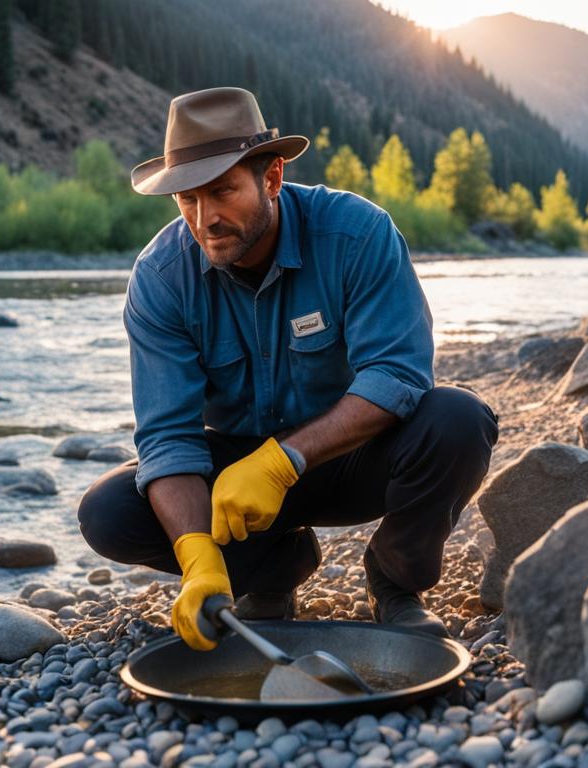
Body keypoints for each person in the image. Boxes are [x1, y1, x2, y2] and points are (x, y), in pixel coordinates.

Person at [77, 87, 499, 651]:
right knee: (109, 512)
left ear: (272, 178)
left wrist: (283, 462)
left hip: (353, 457)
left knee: (458, 419)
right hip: (235, 486)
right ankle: (270, 569)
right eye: (187, 200)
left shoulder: (357, 234)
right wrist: (197, 554)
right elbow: (168, 438)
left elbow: (397, 373)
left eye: (221, 191)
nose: (205, 219)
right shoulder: (160, 277)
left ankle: (396, 581)